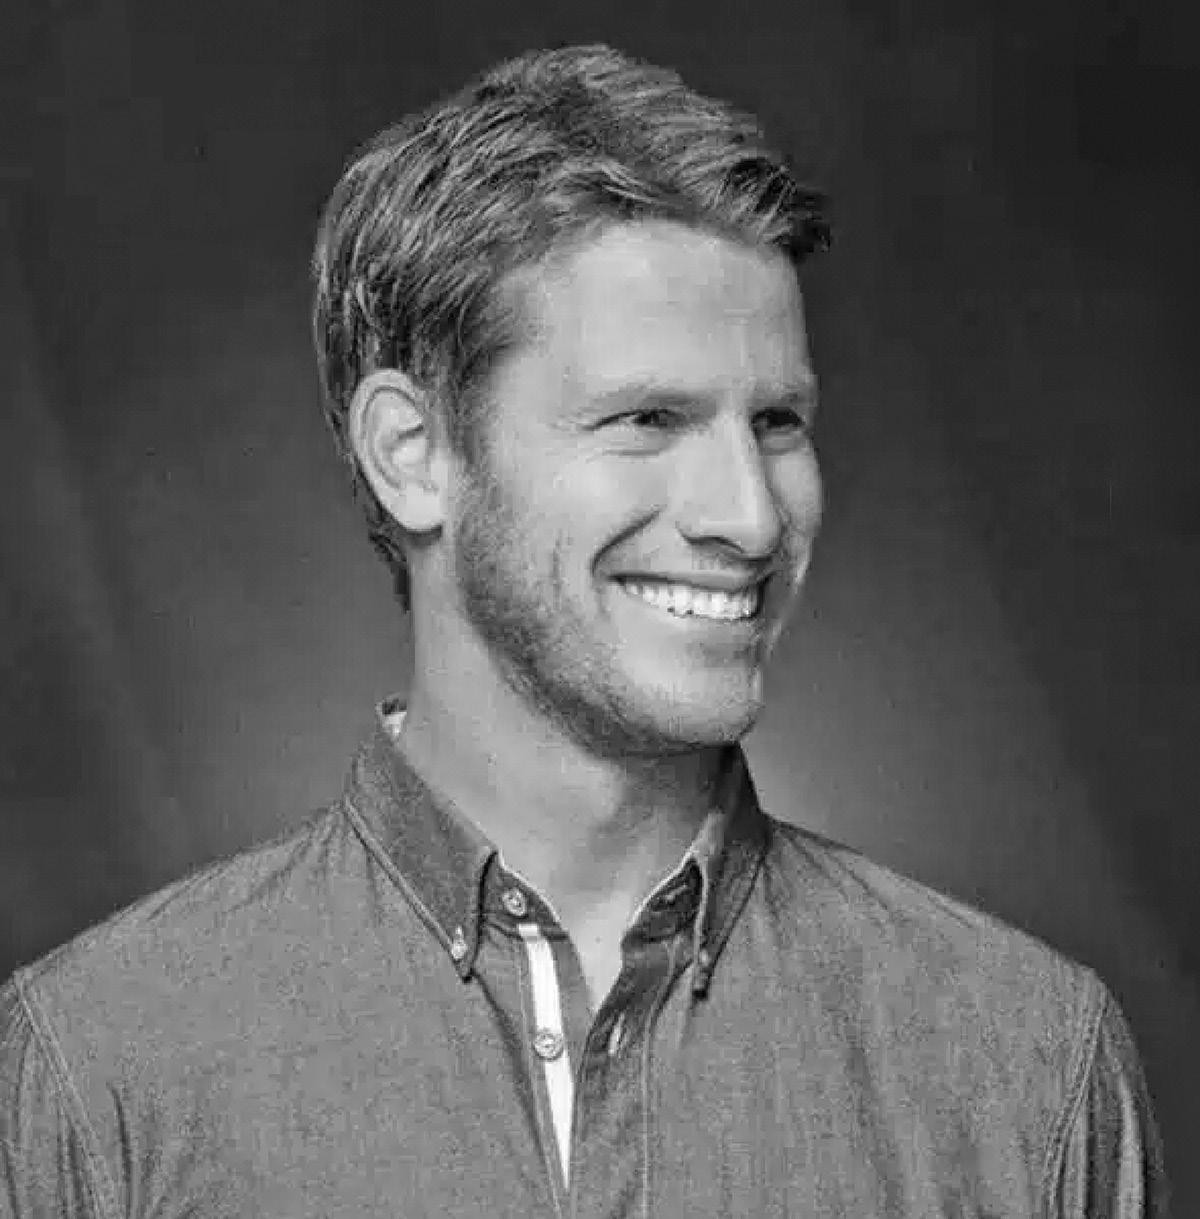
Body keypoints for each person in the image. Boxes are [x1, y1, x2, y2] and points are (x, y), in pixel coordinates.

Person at [0, 43, 1166, 1218]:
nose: (752, 517)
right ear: (413, 455)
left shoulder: (1030, 1066)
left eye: (776, 421)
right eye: (648, 417)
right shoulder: (100, 1076)